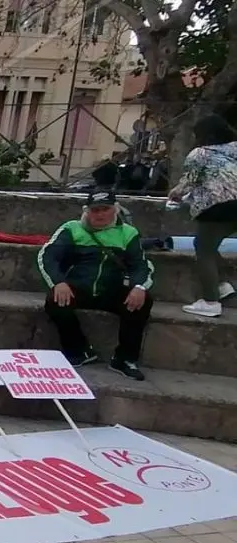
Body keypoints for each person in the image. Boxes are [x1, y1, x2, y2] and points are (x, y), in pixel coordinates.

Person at [38, 191, 155, 381]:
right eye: (95, 210)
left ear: (115, 210)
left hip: (112, 290)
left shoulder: (128, 233)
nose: (100, 215)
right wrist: (58, 282)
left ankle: (124, 359)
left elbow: (140, 265)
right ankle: (78, 351)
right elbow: (48, 256)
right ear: (87, 211)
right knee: (55, 302)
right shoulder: (71, 229)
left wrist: (139, 287)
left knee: (142, 303)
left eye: (105, 209)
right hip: (78, 287)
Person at [171, 113, 237, 317]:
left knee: (204, 250)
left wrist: (175, 193)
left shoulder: (199, 154)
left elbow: (188, 182)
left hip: (218, 207)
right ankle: (222, 285)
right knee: (208, 244)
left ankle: (210, 301)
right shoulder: (235, 148)